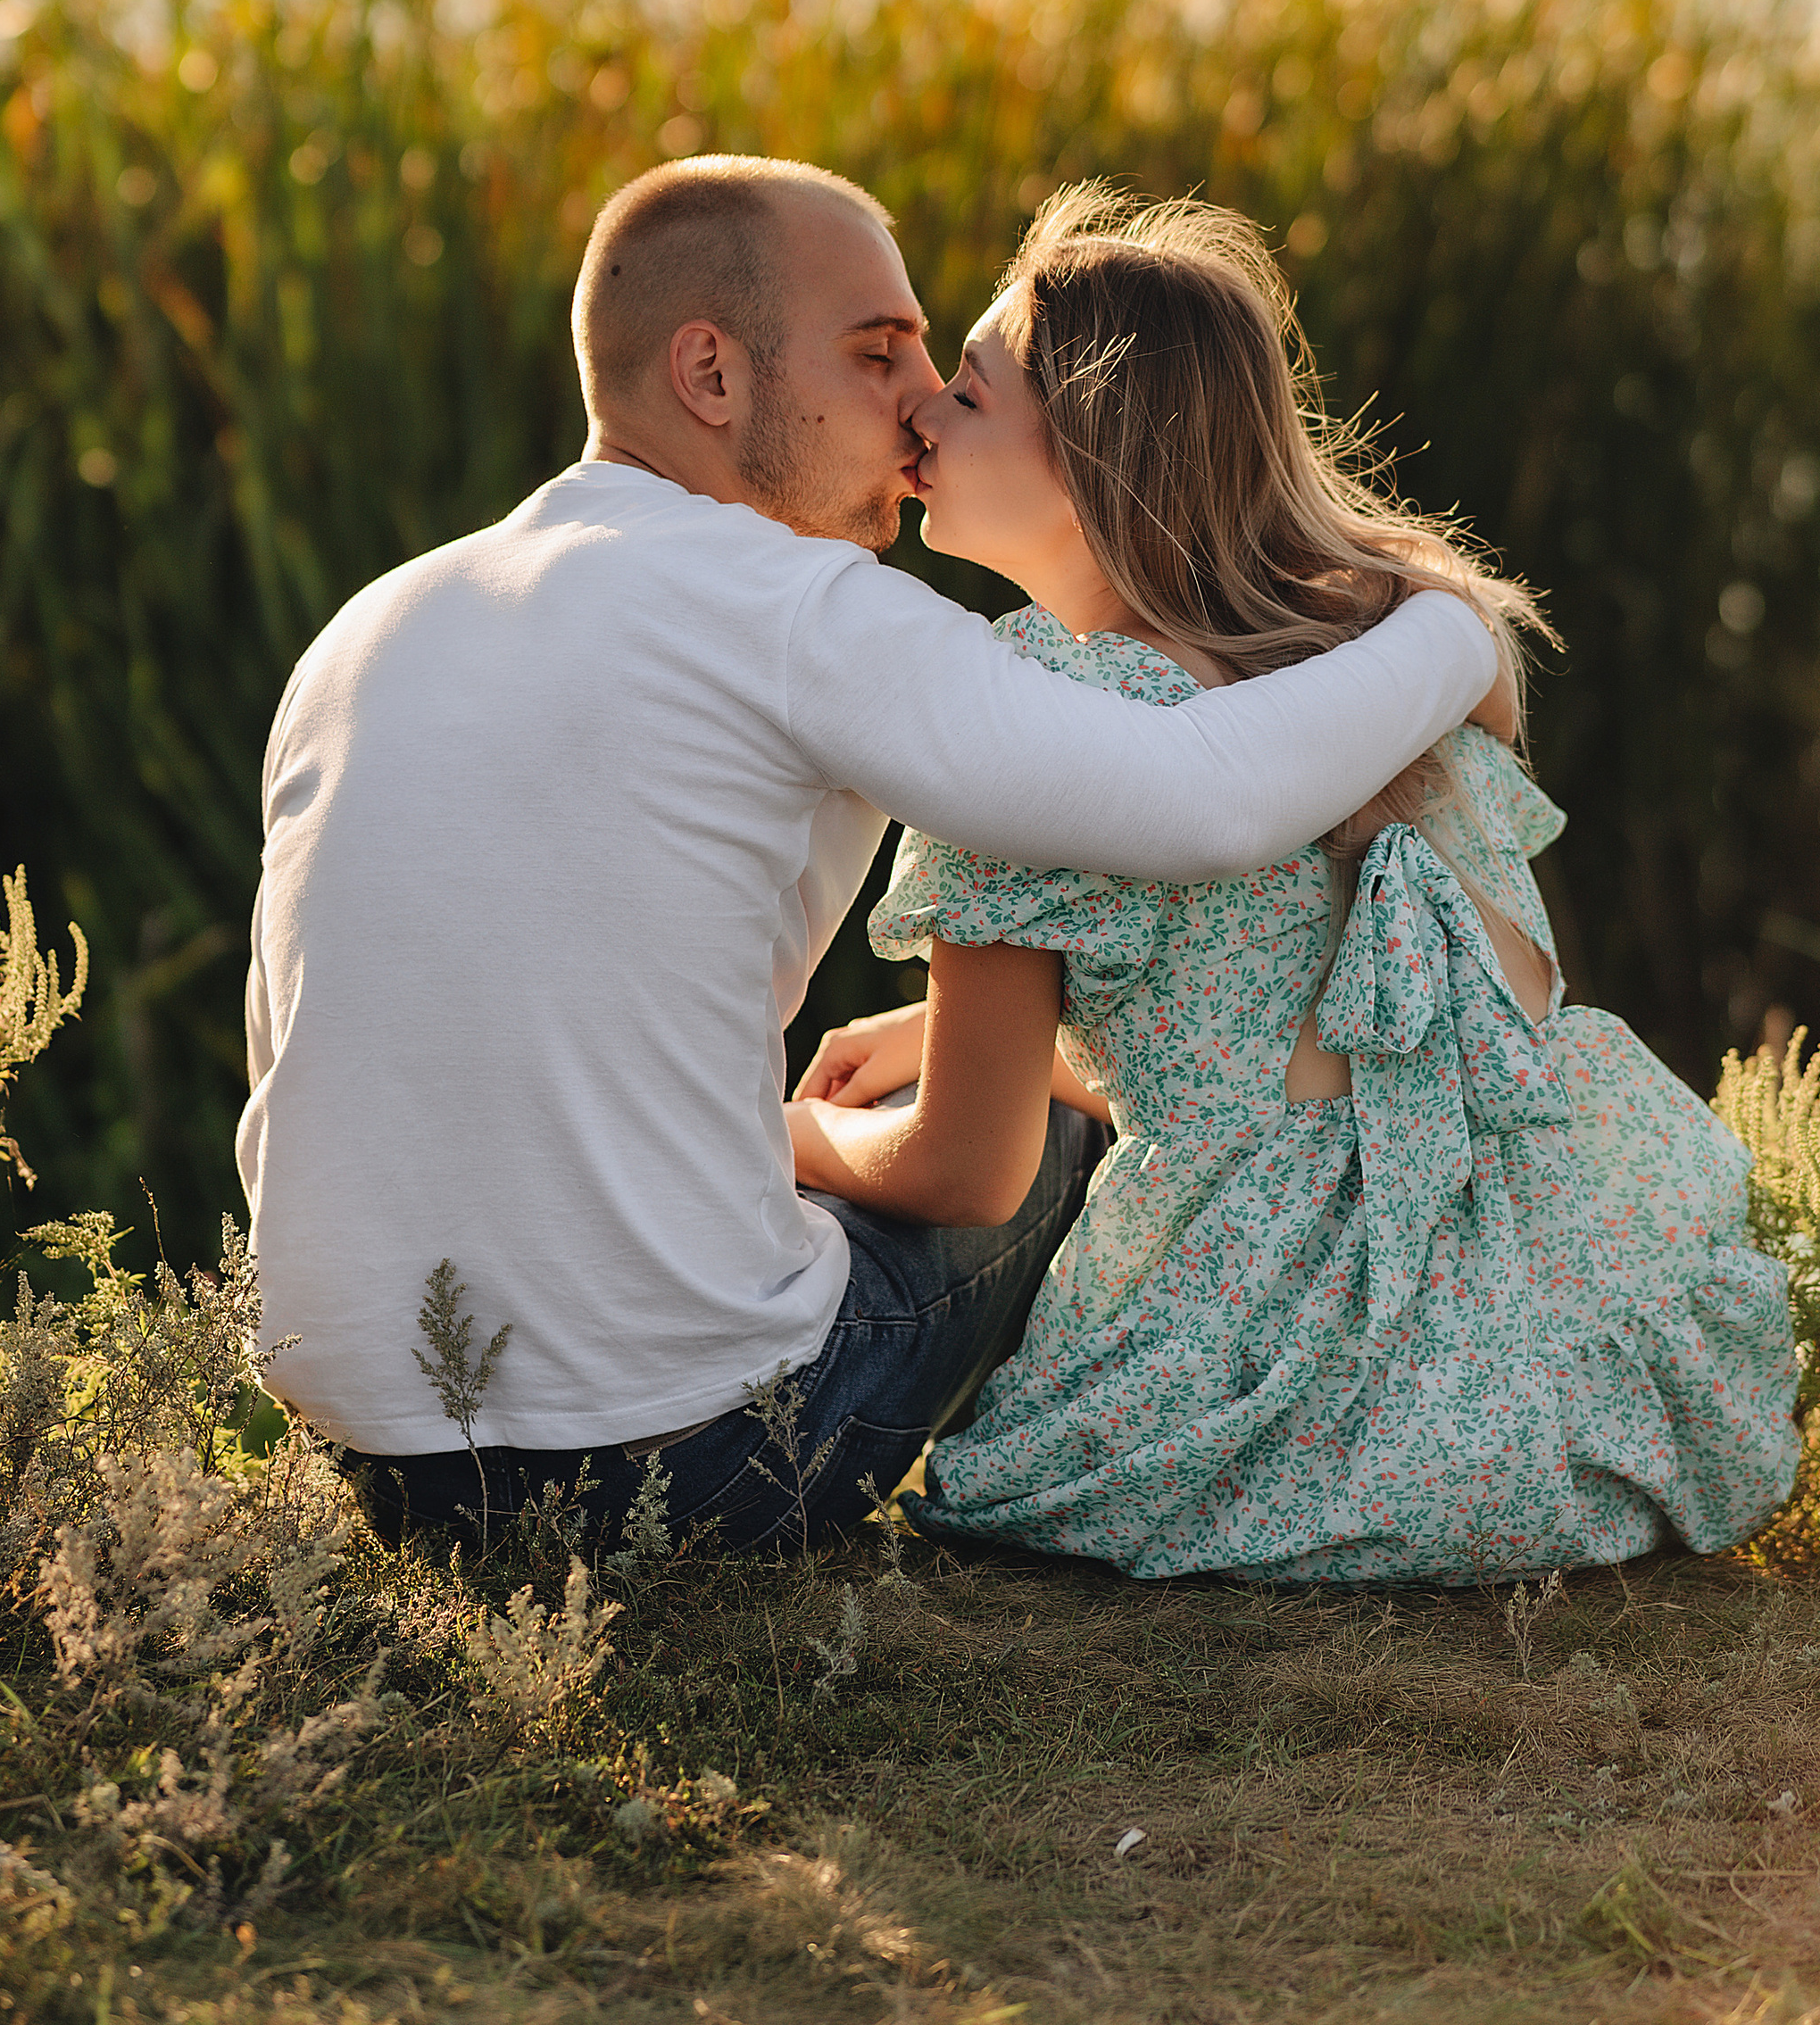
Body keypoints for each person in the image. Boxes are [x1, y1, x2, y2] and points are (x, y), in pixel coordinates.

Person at [237, 156, 1505, 1553]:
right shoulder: (796, 604)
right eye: (877, 350)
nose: (917, 402)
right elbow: (1208, 798)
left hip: (384, 1464)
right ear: (710, 373)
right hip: (700, 1456)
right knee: (1055, 1131)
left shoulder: (364, 630)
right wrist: (1453, 628)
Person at [789, 187, 1799, 1582]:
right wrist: (949, 1038)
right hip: (1485, 1303)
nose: (921, 420)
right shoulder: (1350, 667)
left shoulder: (1037, 709)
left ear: (1089, 459)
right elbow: (1284, 1059)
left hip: (1249, 1344)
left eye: (964, 393)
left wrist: (773, 1139)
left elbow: (968, 1169)